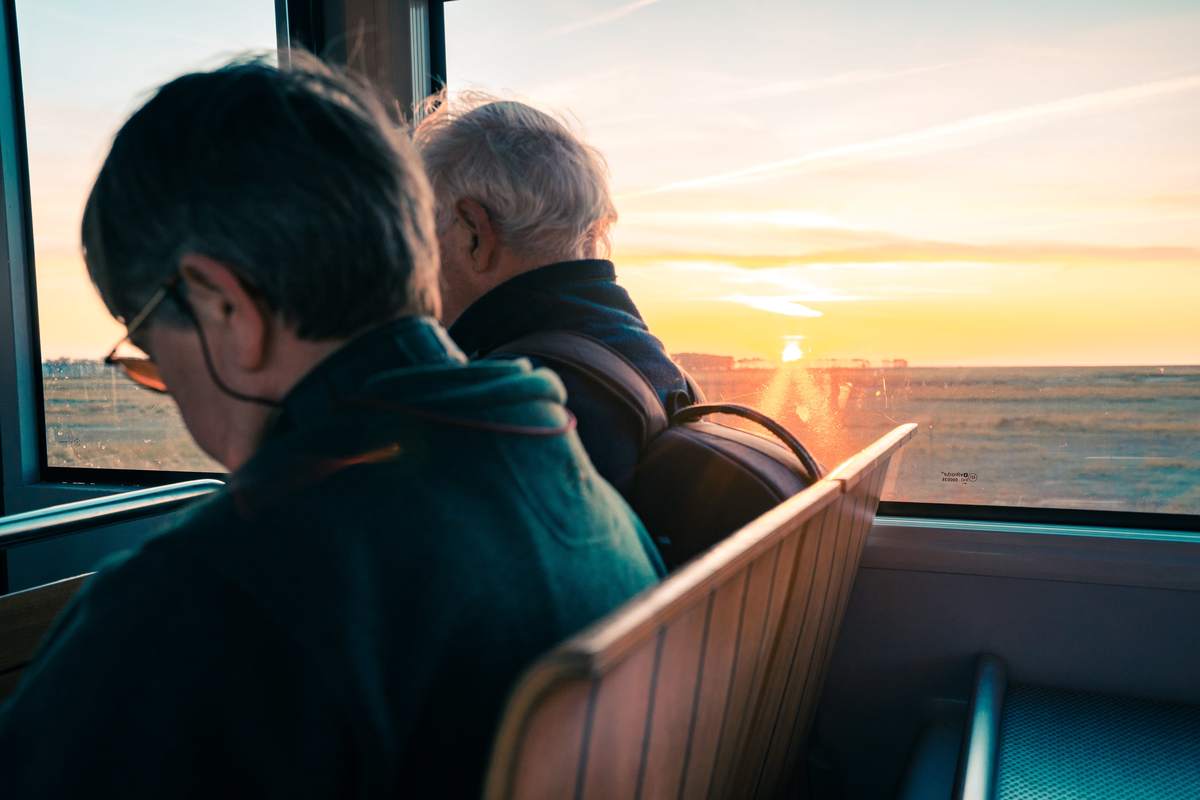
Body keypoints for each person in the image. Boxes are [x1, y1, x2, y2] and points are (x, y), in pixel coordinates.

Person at [0, 55, 662, 798]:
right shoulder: (579, 489)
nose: (174, 400)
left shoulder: (199, 602)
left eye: (152, 354)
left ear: (225, 308)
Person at [414, 96, 689, 498]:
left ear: (475, 233)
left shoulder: (499, 411)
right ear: (592, 234)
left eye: (424, 238)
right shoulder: (657, 369)